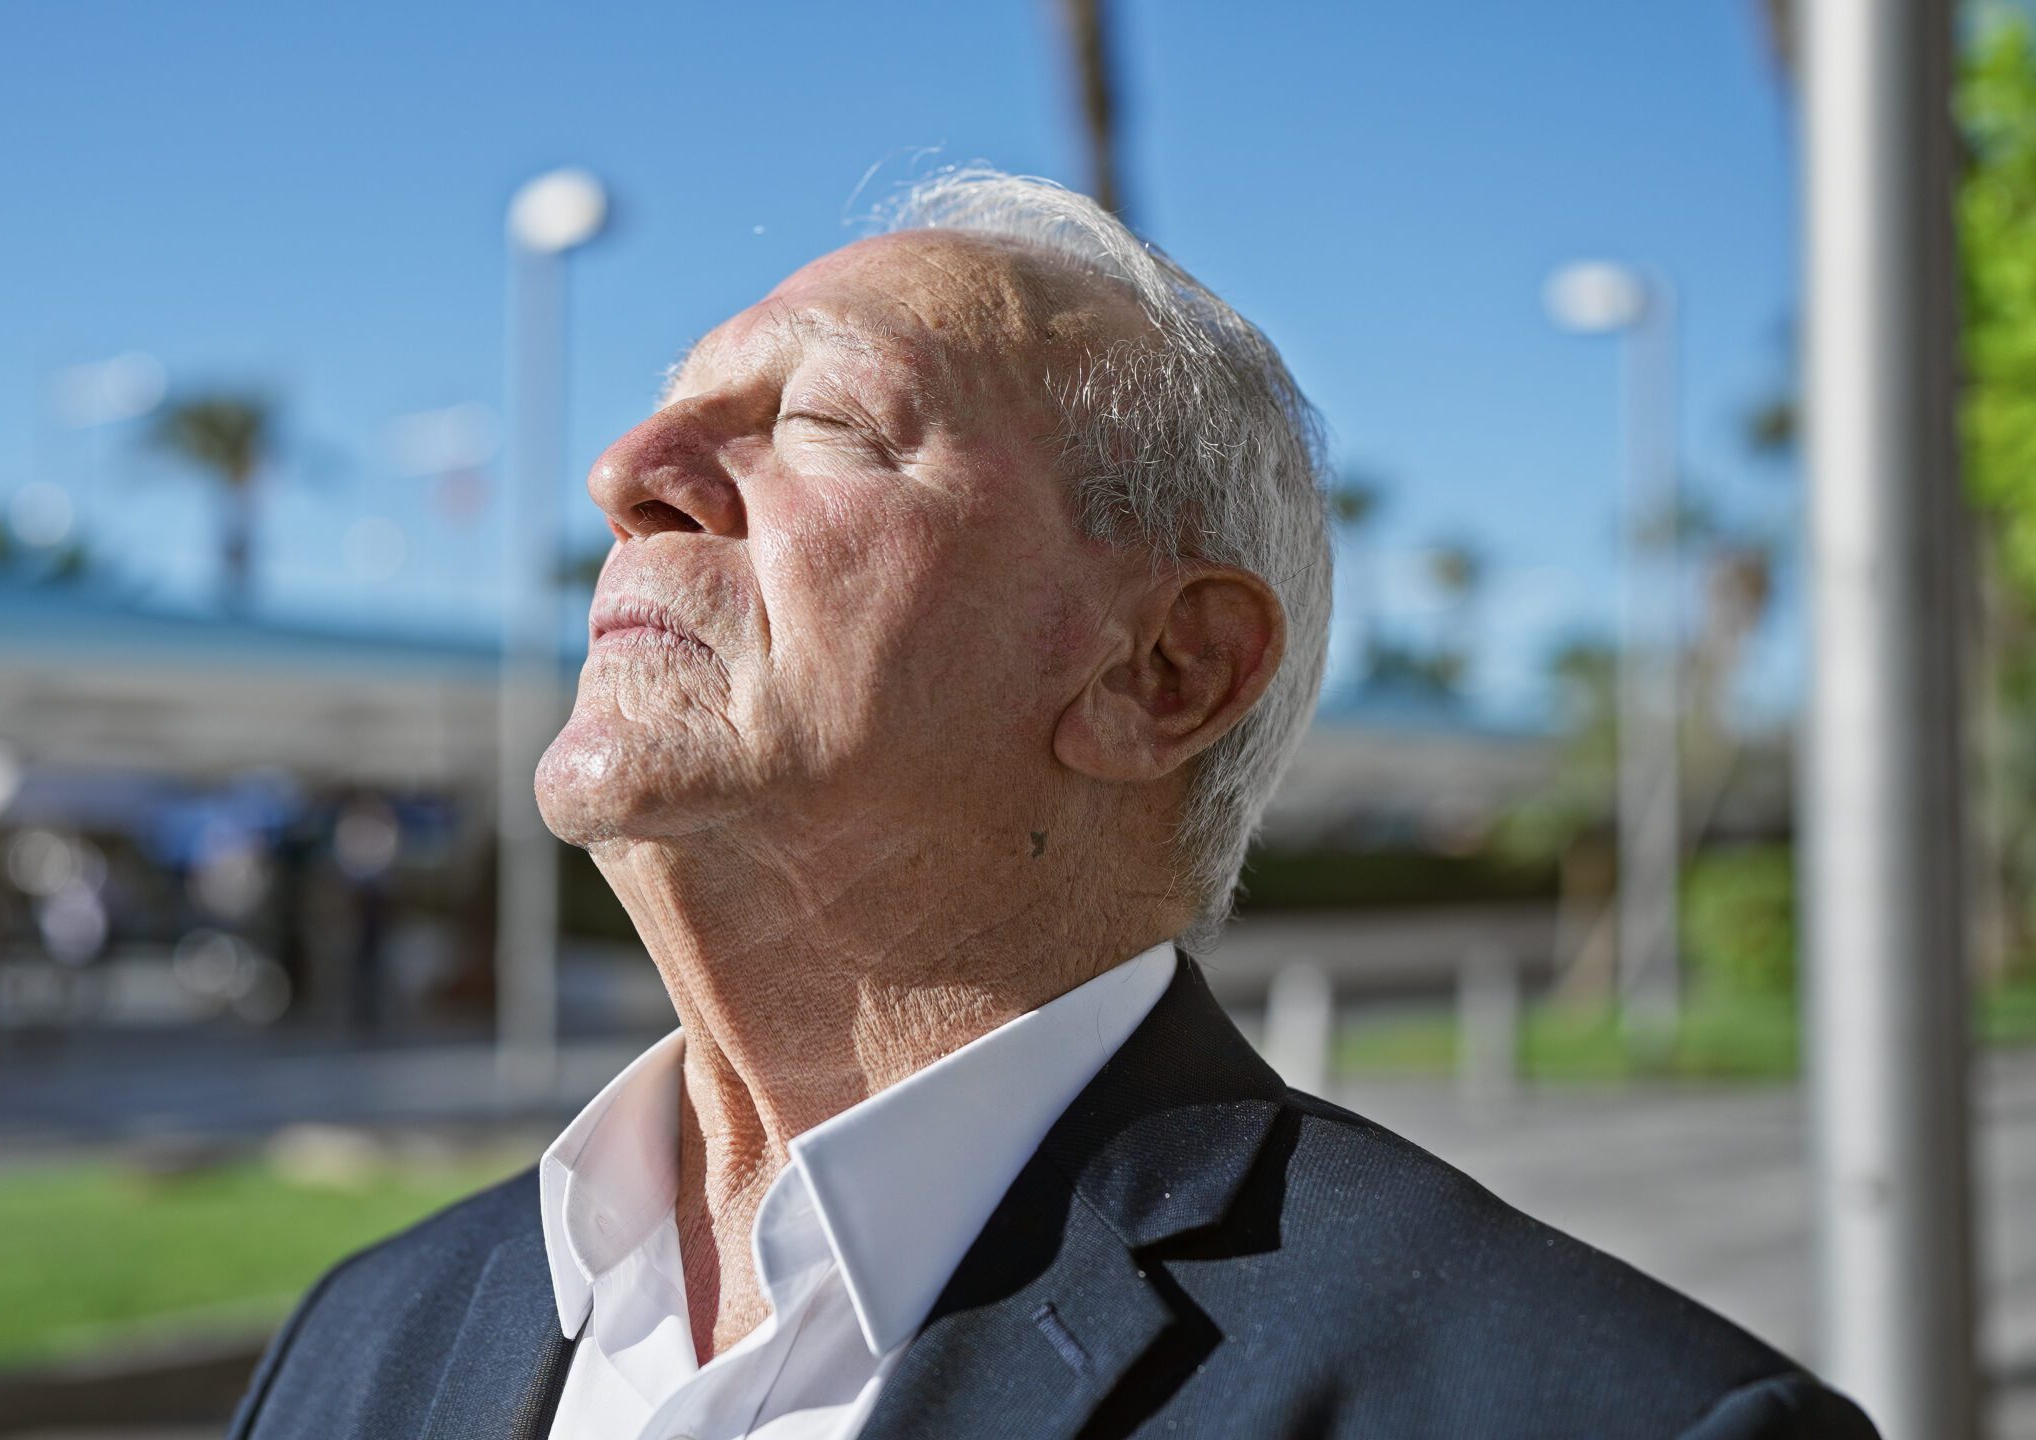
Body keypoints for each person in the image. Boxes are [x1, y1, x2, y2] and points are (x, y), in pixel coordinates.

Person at [229, 170, 1875, 1440]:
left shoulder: (1605, 1416)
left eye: (824, 421)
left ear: (1164, 672)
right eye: (666, 408)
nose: (627, 473)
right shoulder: (365, 1342)